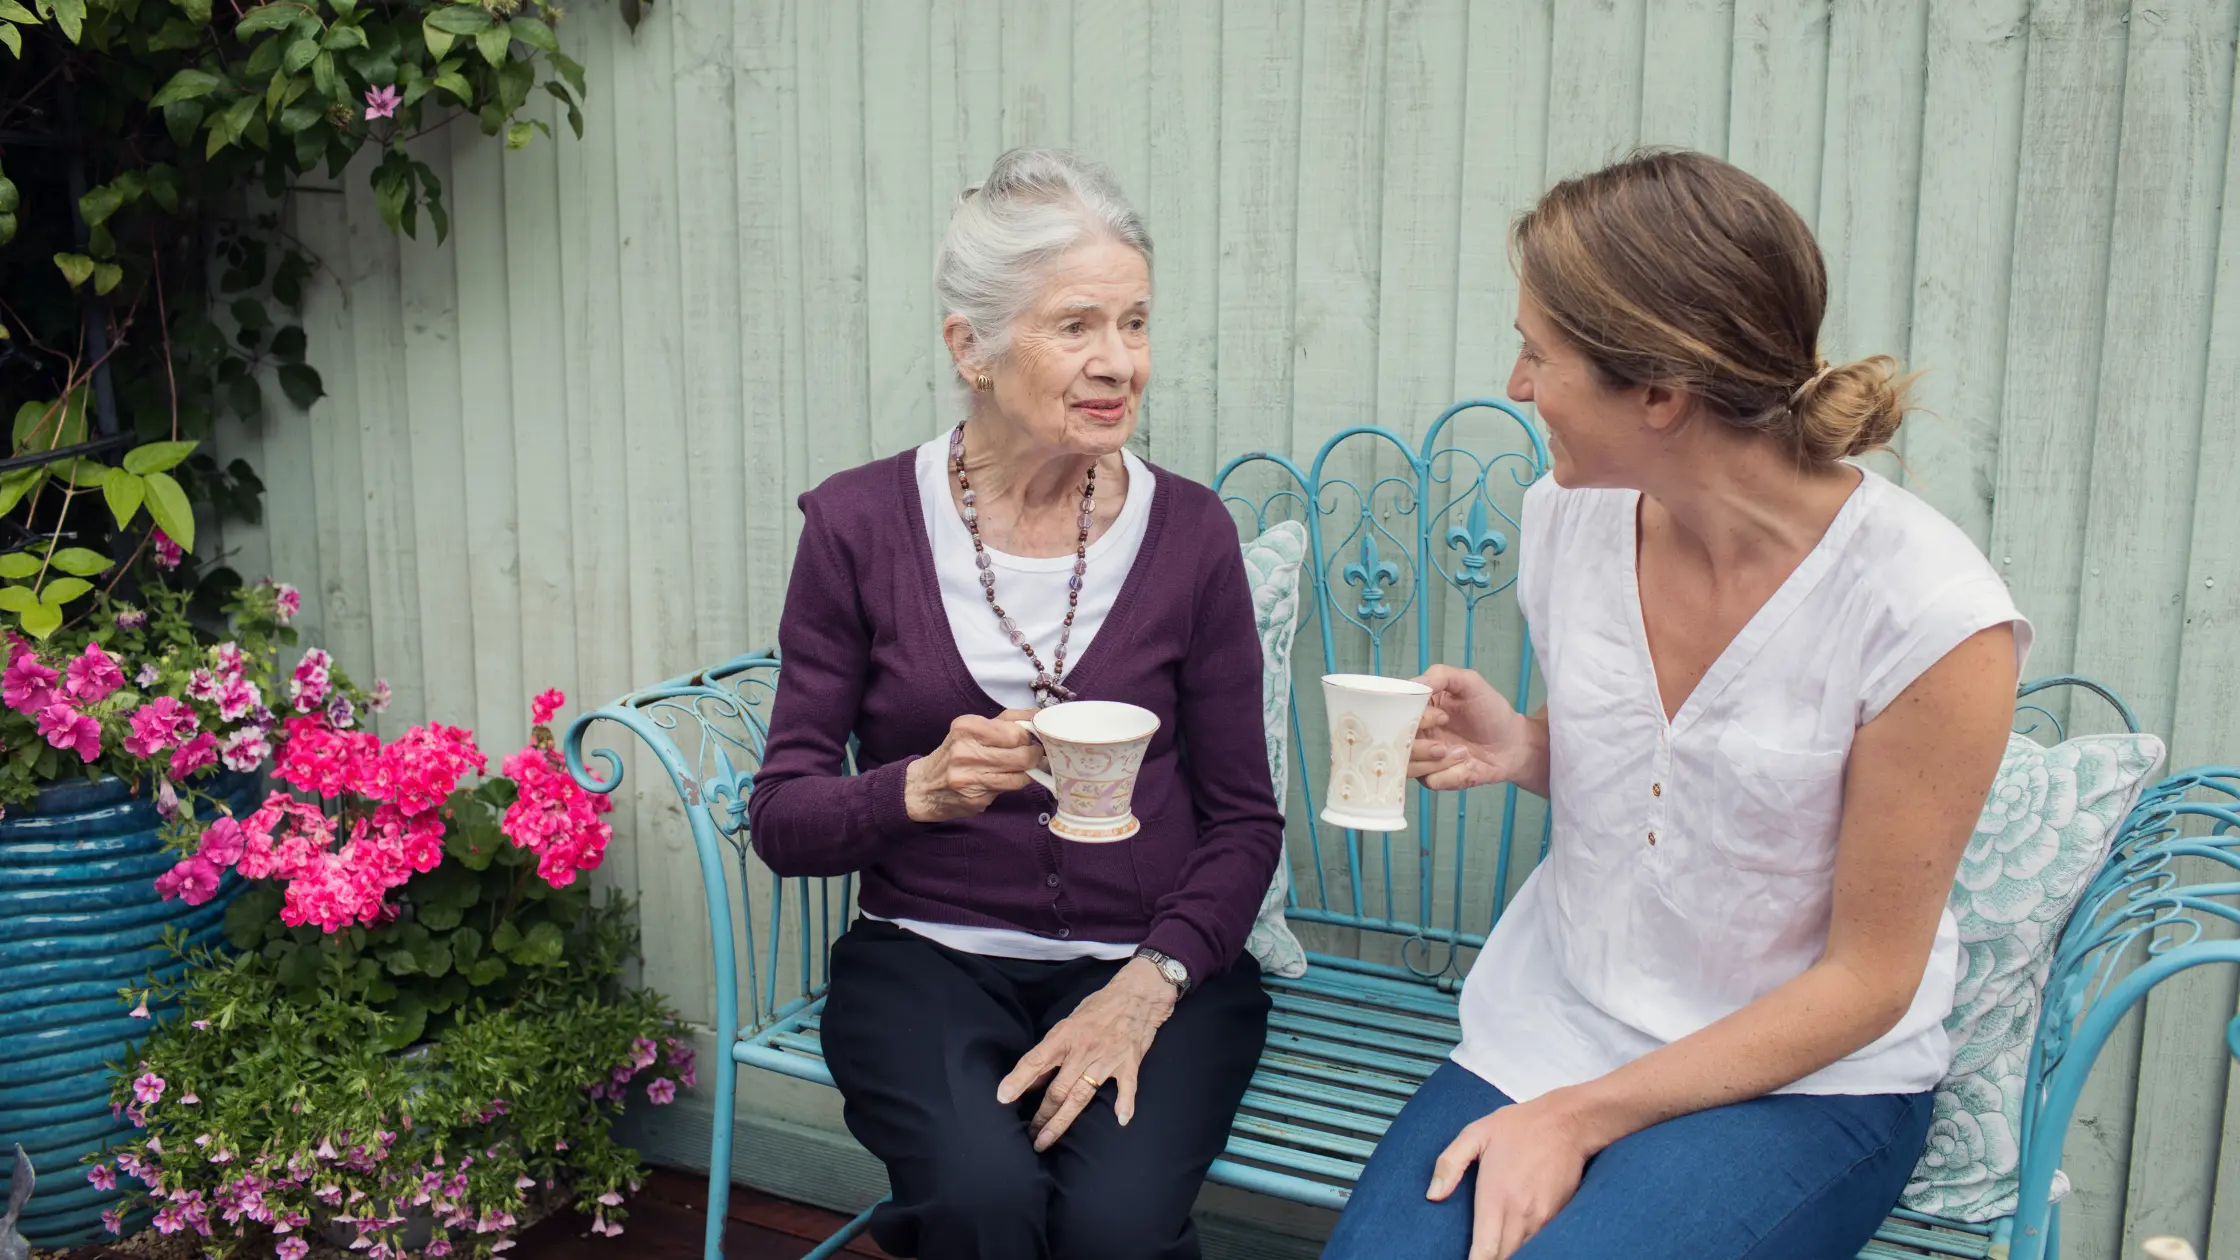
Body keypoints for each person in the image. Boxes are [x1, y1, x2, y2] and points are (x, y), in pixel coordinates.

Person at [1321, 149, 2031, 1260]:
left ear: (1659, 392)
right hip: (1549, 1025)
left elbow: (1868, 981)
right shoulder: (1568, 519)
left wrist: (1578, 1118)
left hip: (1798, 1082)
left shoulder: (1930, 619)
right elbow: (1681, 779)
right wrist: (1524, 745)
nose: (1515, 384)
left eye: (1536, 353)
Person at [746, 147, 1283, 1260]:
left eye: (1134, 324)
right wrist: (916, 790)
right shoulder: (857, 528)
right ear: (970, 348)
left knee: (1115, 1229)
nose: (1119, 363)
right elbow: (784, 818)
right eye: (1076, 326)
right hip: (926, 957)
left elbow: (1243, 822)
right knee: (983, 1204)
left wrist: (1150, 983)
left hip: (1155, 963)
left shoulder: (1188, 535)